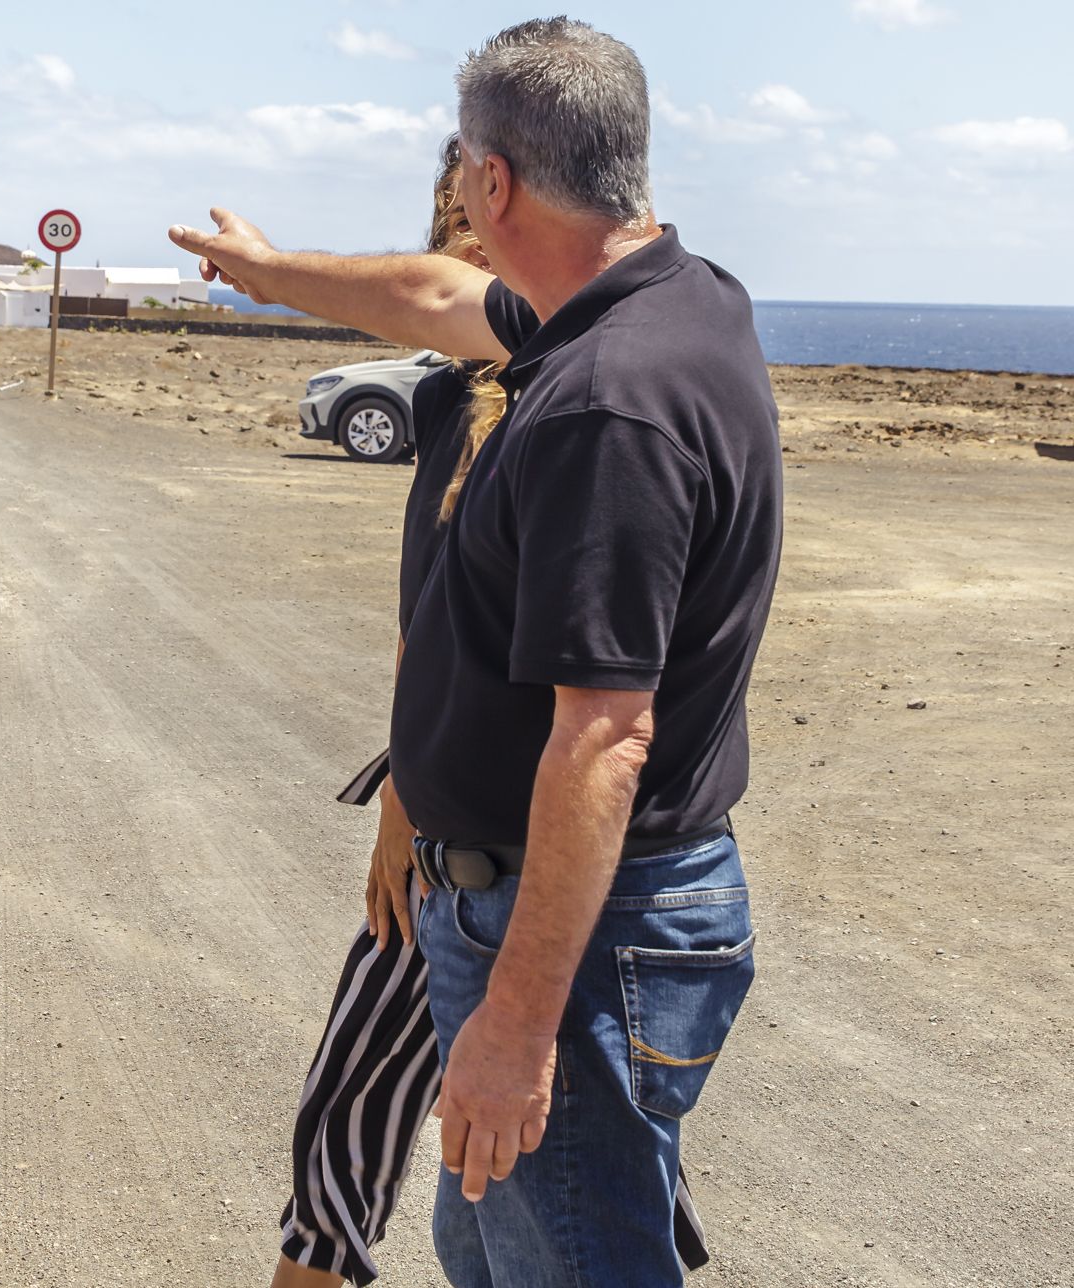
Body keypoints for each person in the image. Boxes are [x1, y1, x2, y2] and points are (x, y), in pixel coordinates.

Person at [173, 17, 782, 1287]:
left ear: (488, 180)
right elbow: (431, 293)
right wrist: (270, 271)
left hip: (563, 934)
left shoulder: (603, 400)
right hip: (532, 910)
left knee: (565, 1259)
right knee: (495, 1245)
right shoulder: (670, 298)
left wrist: (512, 1023)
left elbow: (603, 736)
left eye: (463, 170)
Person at [273, 135, 706, 1287]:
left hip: (518, 863)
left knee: (433, 1140)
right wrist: (399, 794)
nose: (463, 262)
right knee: (518, 1183)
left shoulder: (579, 398)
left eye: (475, 230)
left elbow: (607, 703)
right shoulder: (457, 400)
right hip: (456, 841)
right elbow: (429, 625)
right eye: (448, 235)